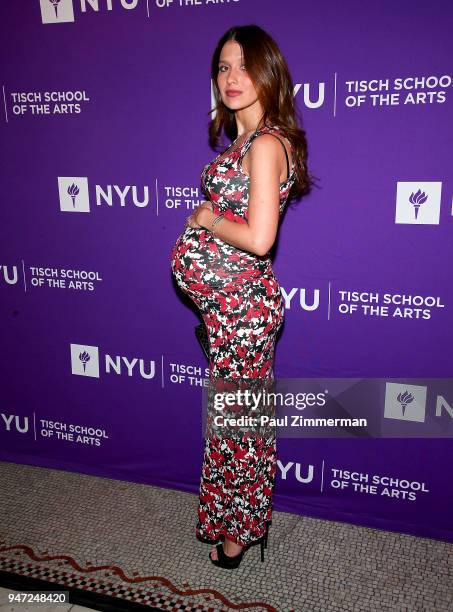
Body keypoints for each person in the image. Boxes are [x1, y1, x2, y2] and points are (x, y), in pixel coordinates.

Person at [170, 24, 312, 569]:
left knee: (239, 426)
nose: (232, 78)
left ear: (268, 73)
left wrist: (205, 218)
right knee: (232, 422)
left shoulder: (268, 143)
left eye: (245, 67)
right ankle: (232, 520)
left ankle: (241, 531)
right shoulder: (244, 142)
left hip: (244, 312)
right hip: (226, 311)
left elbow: (258, 237)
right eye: (224, 68)